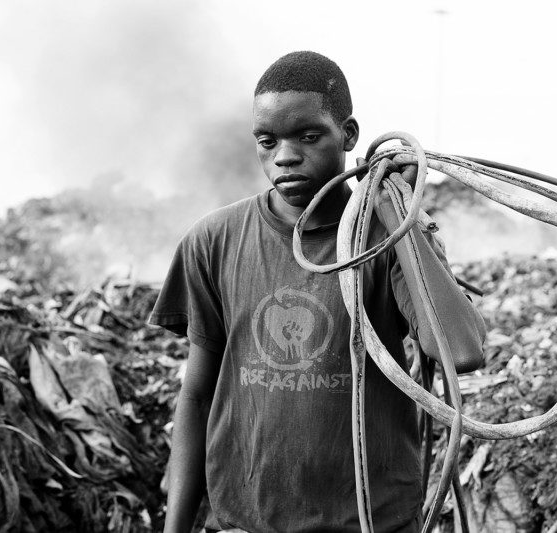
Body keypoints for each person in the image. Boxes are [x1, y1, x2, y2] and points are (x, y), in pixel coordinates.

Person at [149, 51, 486, 533]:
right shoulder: (215, 240)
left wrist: (399, 216)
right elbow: (197, 395)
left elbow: (461, 351)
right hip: (247, 522)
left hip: (373, 522)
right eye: (268, 141)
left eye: (308, 136)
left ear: (348, 135)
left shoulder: (387, 237)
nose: (285, 155)